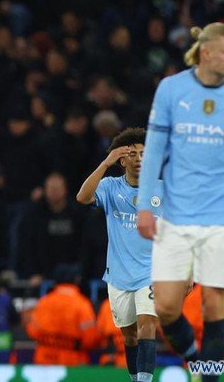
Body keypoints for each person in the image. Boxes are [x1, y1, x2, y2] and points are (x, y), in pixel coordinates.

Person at [136, 22, 224, 381]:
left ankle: (208, 377)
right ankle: (197, 363)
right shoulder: (171, 90)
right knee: (166, 308)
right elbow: (153, 149)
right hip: (174, 215)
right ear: (206, 54)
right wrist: (144, 205)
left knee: (214, 309)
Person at [77, 127, 162, 382]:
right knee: (129, 335)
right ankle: (135, 379)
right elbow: (82, 197)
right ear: (122, 160)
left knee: (148, 323)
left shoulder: (163, 189)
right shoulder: (110, 187)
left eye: (143, 154)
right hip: (119, 275)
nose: (139, 159)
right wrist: (105, 163)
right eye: (133, 154)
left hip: (151, 273)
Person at [26, 264, 97, 366]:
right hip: (73, 364)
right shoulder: (82, 304)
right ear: (76, 280)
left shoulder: (44, 302)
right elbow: (90, 339)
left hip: (45, 361)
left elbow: (32, 332)